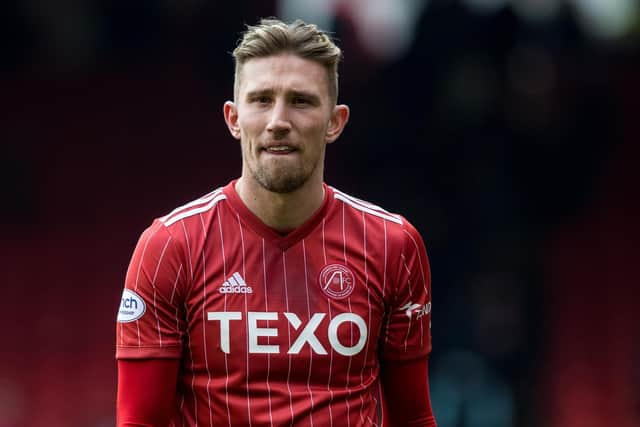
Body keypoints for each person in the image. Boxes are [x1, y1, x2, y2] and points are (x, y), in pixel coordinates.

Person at [115, 18, 437, 427]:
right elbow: (139, 421)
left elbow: (413, 418)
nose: (278, 120)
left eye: (301, 101)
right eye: (262, 99)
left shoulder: (393, 245)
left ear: (335, 122)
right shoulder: (170, 247)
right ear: (233, 118)